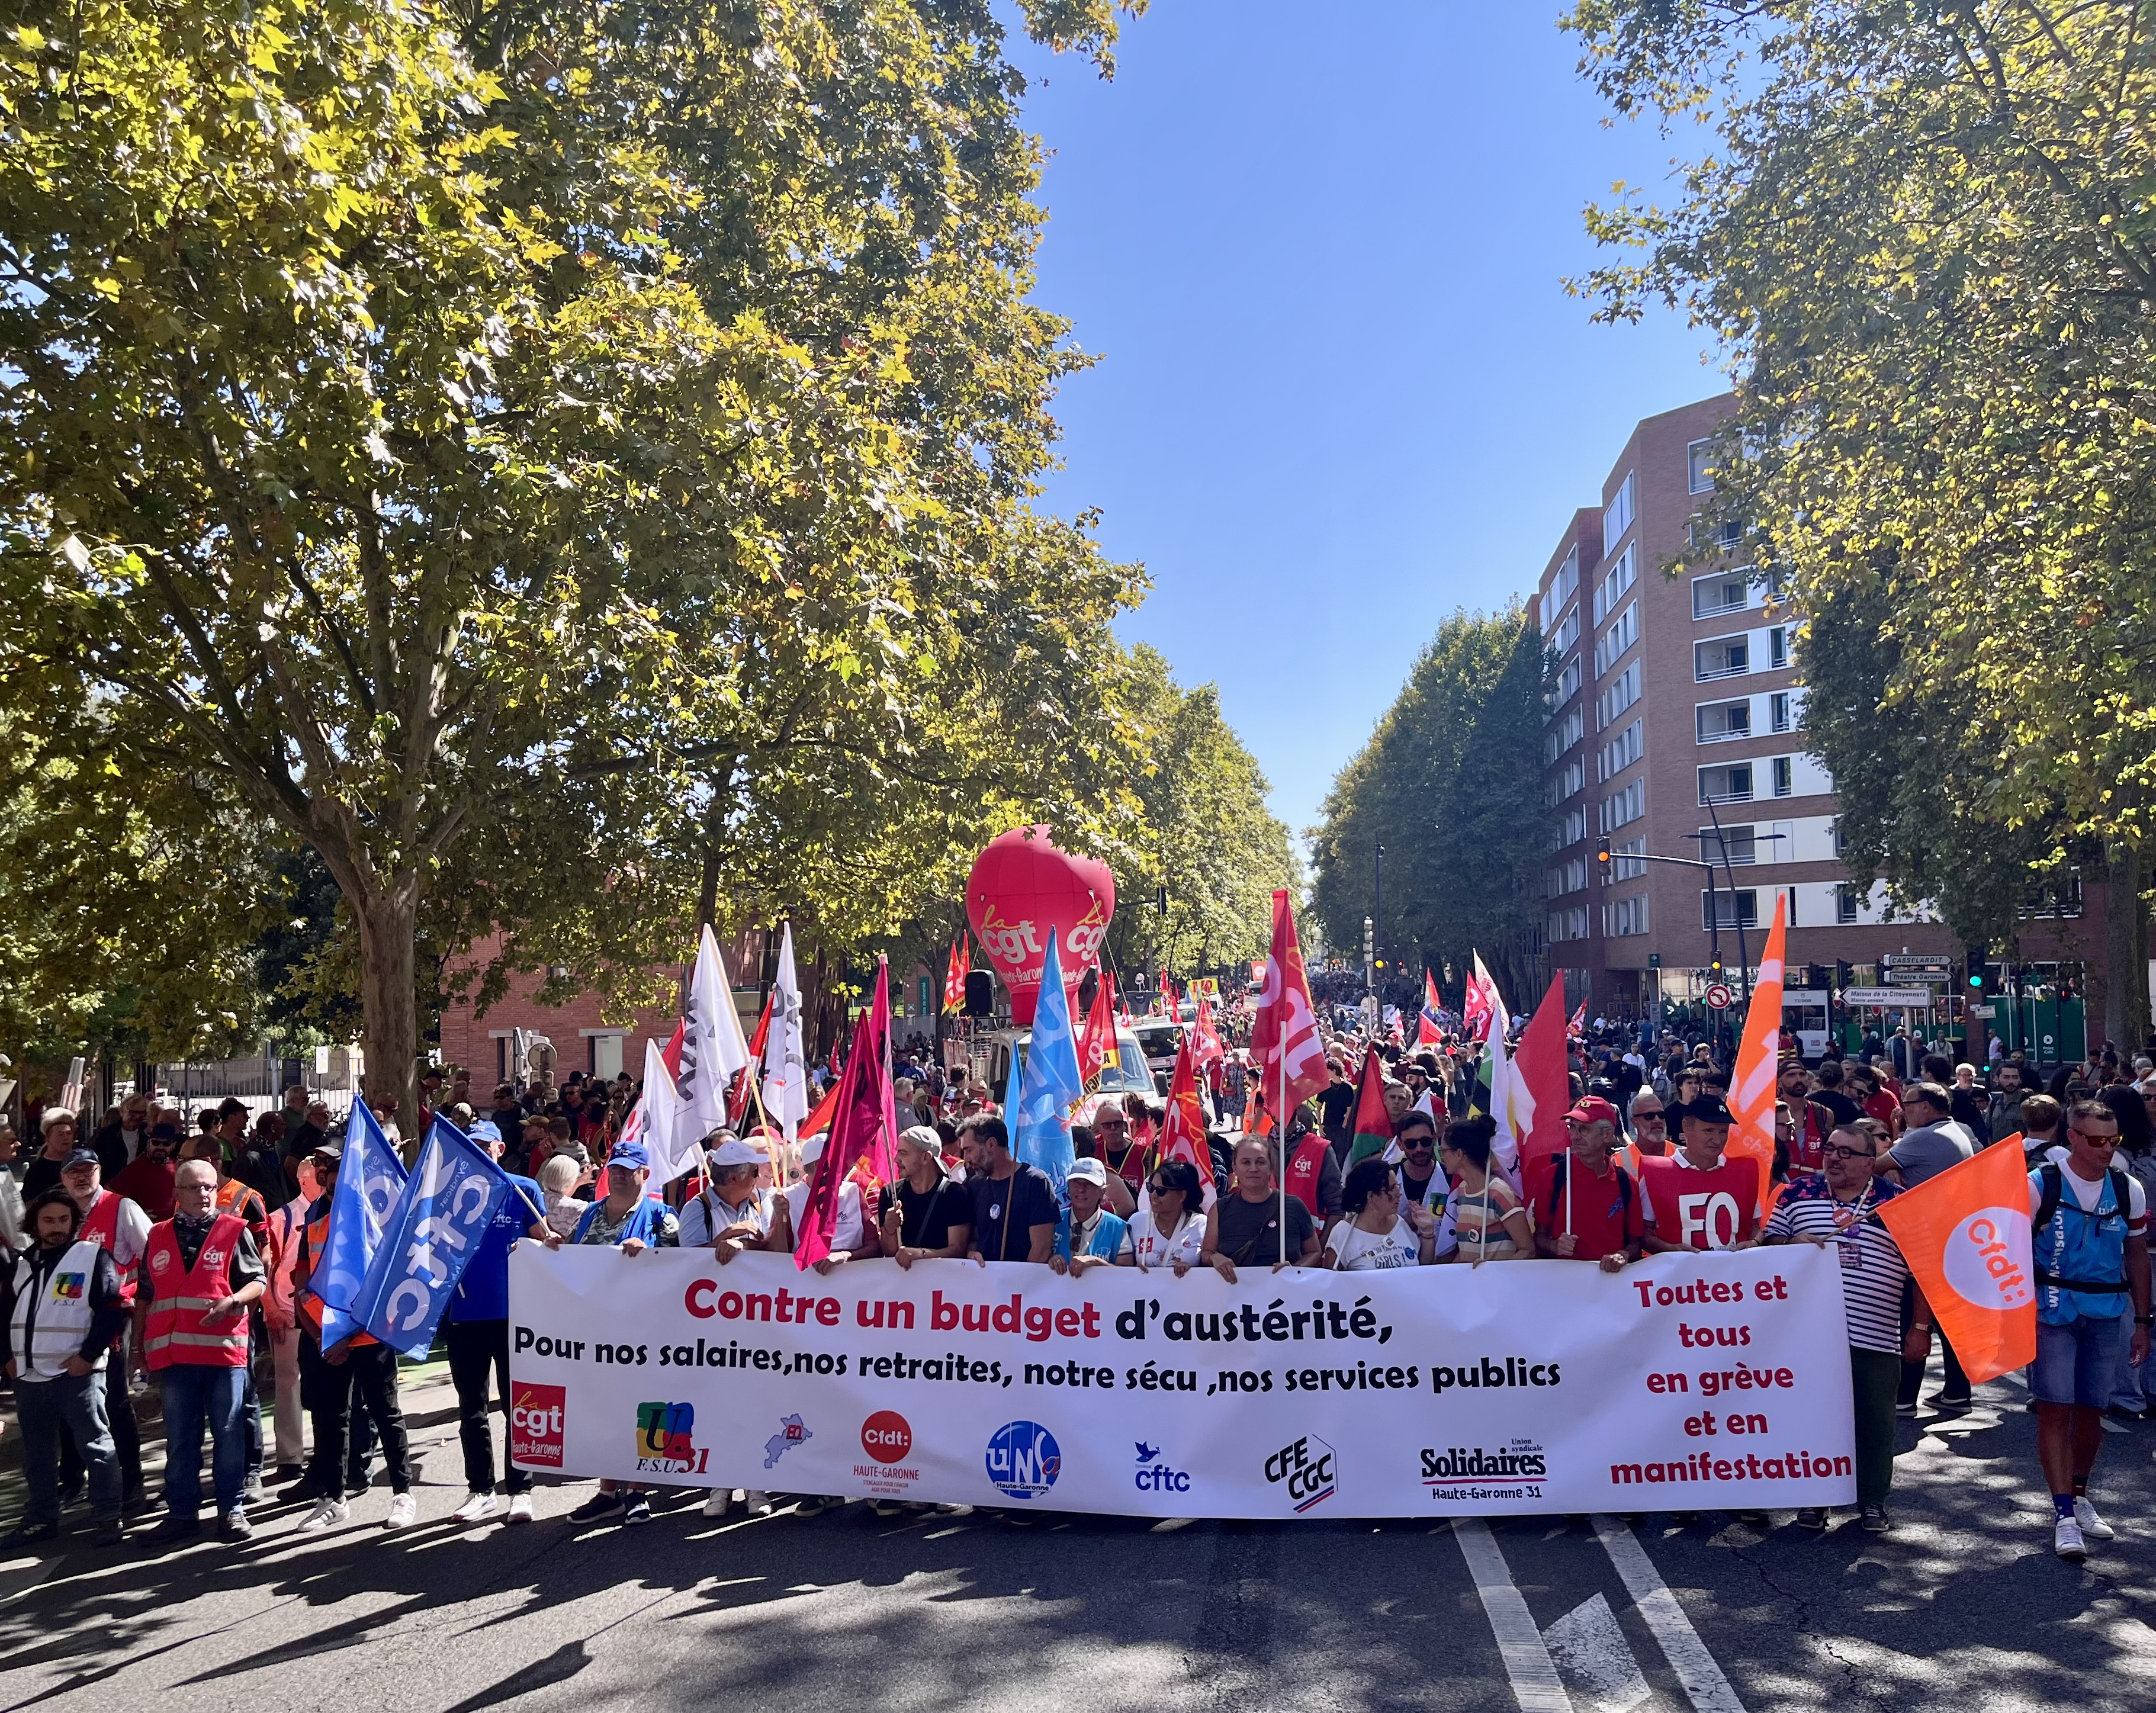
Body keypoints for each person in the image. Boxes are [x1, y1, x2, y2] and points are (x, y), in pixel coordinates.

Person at [1765, 1124, 1930, 1532]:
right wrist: (1789, 1243)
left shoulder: (1896, 1202)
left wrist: (1920, 1327)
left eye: (1845, 1152)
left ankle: (1872, 1499)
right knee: (1814, 1418)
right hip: (1807, 1336)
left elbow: (1922, 1272)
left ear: (1868, 1162)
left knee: (1875, 1419)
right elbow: (1763, 1246)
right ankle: (1814, 1498)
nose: (1832, 1157)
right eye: (1830, 1149)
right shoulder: (1796, 1193)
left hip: (1873, 1334)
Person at [2029, 1100, 2152, 1561]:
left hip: (2107, 1312)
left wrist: (2142, 1321)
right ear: (2072, 1138)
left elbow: (2136, 1255)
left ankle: (2079, 1495)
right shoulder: (2039, 1184)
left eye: (2113, 1140)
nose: (2106, 1149)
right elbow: (2008, 1247)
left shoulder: (2127, 1189)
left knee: (2091, 1411)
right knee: (2054, 1410)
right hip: (2052, 1311)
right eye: (2097, 1139)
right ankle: (2062, 1513)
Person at [541, 1139, 679, 1528]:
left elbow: (687, 1270)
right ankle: (607, 1492)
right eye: (613, 1168)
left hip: (645, 1332)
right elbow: (575, 1261)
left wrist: (652, 1255)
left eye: (627, 1169)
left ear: (644, 1174)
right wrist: (554, 1246)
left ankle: (637, 1490)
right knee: (603, 1409)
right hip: (597, 1332)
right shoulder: (589, 1214)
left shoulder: (661, 1218)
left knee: (645, 1407)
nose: (617, 1175)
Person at [292, 1138, 419, 1533]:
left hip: (369, 1339)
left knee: (385, 1414)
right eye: (330, 1173)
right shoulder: (313, 1228)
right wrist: (322, 1338)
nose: (336, 1180)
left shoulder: (377, 1226)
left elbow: (384, 1287)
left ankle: (402, 1493)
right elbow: (301, 1288)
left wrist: (347, 1336)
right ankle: (333, 1497)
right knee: (331, 1419)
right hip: (328, 1342)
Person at [136, 1157, 266, 1540]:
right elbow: (145, 1295)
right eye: (194, 1187)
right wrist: (134, 1351)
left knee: (228, 1434)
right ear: (177, 1194)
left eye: (209, 1186)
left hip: (223, 1353)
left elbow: (257, 1280)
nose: (204, 1193)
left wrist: (234, 1301)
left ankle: (232, 1509)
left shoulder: (232, 1230)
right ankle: (182, 1513)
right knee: (180, 1437)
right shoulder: (157, 1235)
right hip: (175, 1356)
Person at [0, 1190, 130, 1548]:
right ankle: (41, 1519)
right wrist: (6, 1361)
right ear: (34, 1224)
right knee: (36, 1454)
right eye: (48, 1220)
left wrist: (87, 1356)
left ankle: (108, 1515)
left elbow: (113, 1309)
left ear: (74, 1223)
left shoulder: (91, 1257)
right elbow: (3, 1317)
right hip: (27, 1376)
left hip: (77, 1373)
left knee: (96, 1446)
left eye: (63, 1220)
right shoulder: (22, 1263)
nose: (56, 1228)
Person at [443, 1121, 547, 1526]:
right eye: (472, 1148)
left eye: (485, 1146)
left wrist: (540, 1243)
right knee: (471, 1408)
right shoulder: (449, 1195)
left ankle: (520, 1490)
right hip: (465, 1315)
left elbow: (544, 1239)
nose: (479, 1154)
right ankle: (480, 1489)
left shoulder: (523, 1188)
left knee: (518, 1406)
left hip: (514, 1315)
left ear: (500, 1148)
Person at [54, 1146, 149, 1507]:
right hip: (66, 1319)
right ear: (63, 1178)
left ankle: (132, 1482)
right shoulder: (58, 1213)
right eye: (73, 1171)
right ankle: (73, 1480)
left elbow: (153, 1255)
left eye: (88, 1170)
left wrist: (134, 1298)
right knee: (68, 1399)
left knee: (115, 1401)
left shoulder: (121, 1208)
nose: (81, 1177)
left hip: (114, 1316)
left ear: (99, 1172)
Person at [1528, 1097, 1641, 1272]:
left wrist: (1622, 1255)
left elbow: (1635, 1243)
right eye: (1571, 1128)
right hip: (1565, 1283)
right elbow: (1539, 1237)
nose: (1575, 1136)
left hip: (1611, 1284)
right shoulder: (1552, 1177)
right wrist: (1555, 1246)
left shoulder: (1626, 1183)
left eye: (1584, 1129)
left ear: (1607, 1135)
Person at [1638, 1095, 1760, 1253]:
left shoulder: (1744, 1173)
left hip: (1733, 1275)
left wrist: (1754, 1242)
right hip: (1681, 1275)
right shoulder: (1656, 1174)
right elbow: (1642, 1233)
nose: (1717, 1140)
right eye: (1709, 1130)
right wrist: (1670, 1249)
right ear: (1686, 1127)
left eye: (1723, 1131)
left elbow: (1755, 1226)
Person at [1203, 1133, 1320, 1279]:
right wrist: (1214, 1258)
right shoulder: (1220, 1208)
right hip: (1235, 1296)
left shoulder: (1294, 1206)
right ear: (1235, 1167)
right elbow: (1206, 1253)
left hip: (1283, 1296)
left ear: (1271, 1167)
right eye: (1246, 1162)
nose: (1253, 1169)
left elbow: (1315, 1252)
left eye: (1260, 1162)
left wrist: (1296, 1269)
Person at [1435, 1116, 1533, 1264]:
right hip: (1473, 1285)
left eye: (1443, 1151)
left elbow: (1528, 1250)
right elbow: (1466, 1252)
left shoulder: (1498, 1192)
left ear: (1459, 1154)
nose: (1441, 1157)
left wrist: (1493, 1271)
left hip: (1498, 1285)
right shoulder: (1462, 1191)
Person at [963, 1117, 1058, 1267]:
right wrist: (971, 1254)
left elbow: (1041, 1249)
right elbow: (972, 1239)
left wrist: (1014, 1283)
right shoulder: (973, 1185)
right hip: (982, 1284)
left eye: (969, 1150)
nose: (966, 1159)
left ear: (991, 1144)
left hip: (1022, 1286)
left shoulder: (1035, 1182)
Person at [782, 1133, 879, 1274]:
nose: (844, 1165)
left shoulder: (853, 1192)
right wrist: (780, 1218)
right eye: (838, 1160)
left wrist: (845, 1256)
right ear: (819, 1166)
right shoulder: (788, 1198)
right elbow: (779, 1251)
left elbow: (875, 1246)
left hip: (853, 1283)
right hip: (805, 1289)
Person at [880, 1126, 973, 1268]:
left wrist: (922, 1254)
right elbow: (890, 1253)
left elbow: (958, 1250)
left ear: (926, 1157)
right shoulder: (890, 1194)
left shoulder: (955, 1194)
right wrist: (890, 1229)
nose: (896, 1159)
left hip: (941, 1285)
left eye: (903, 1153)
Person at [1325, 1158, 1435, 1270]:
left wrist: (1428, 1232)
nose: (1399, 1193)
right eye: (1392, 1189)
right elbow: (1331, 1280)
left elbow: (1423, 1267)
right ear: (1372, 1197)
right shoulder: (1343, 1233)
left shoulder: (1400, 1223)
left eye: (1398, 1186)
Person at [1117, 1159, 1206, 1274]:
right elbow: (1123, 1266)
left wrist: (1193, 1271)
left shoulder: (1201, 1224)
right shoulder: (1137, 1222)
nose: (1153, 1195)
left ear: (1182, 1196)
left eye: (1161, 1191)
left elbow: (1209, 1264)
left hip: (1185, 1290)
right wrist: (1134, 1268)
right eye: (1151, 1188)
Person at [1052, 1158, 1127, 1276]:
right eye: (1076, 1182)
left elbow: (1128, 1275)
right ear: (1069, 1187)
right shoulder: (1053, 1221)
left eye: (1089, 1184)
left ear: (1103, 1192)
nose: (1081, 1189)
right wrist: (1049, 1261)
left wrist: (1097, 1263)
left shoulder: (1119, 1228)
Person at [109, 1120, 180, 1222]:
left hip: (172, 1227)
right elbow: (110, 1194)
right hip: (146, 1228)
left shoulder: (177, 1166)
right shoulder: (137, 1168)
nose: (160, 1147)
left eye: (166, 1143)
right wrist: (135, 1213)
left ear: (173, 1145)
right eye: (156, 1142)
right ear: (149, 1142)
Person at [23, 1108, 83, 1202]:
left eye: (69, 1133)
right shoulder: (37, 1171)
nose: (66, 1138)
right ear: (48, 1138)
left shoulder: (80, 1164)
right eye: (61, 1134)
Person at [89, 1093, 153, 1177]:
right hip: (111, 1184)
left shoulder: (148, 1137)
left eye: (142, 1113)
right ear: (122, 1112)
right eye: (133, 1113)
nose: (137, 1117)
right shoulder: (106, 1135)